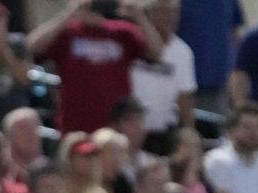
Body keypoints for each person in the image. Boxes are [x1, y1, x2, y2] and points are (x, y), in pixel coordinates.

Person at [27, 0, 163, 134]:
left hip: (114, 128)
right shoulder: (68, 32)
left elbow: (156, 53)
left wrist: (139, 16)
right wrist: (69, 14)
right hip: (76, 126)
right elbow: (32, 47)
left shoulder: (123, 32)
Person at [130, 0, 197, 155]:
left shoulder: (183, 53)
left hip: (163, 132)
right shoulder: (133, 41)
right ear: (150, 13)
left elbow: (185, 99)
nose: (170, 17)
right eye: (164, 12)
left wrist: (190, 133)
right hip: (132, 129)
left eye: (174, 12)